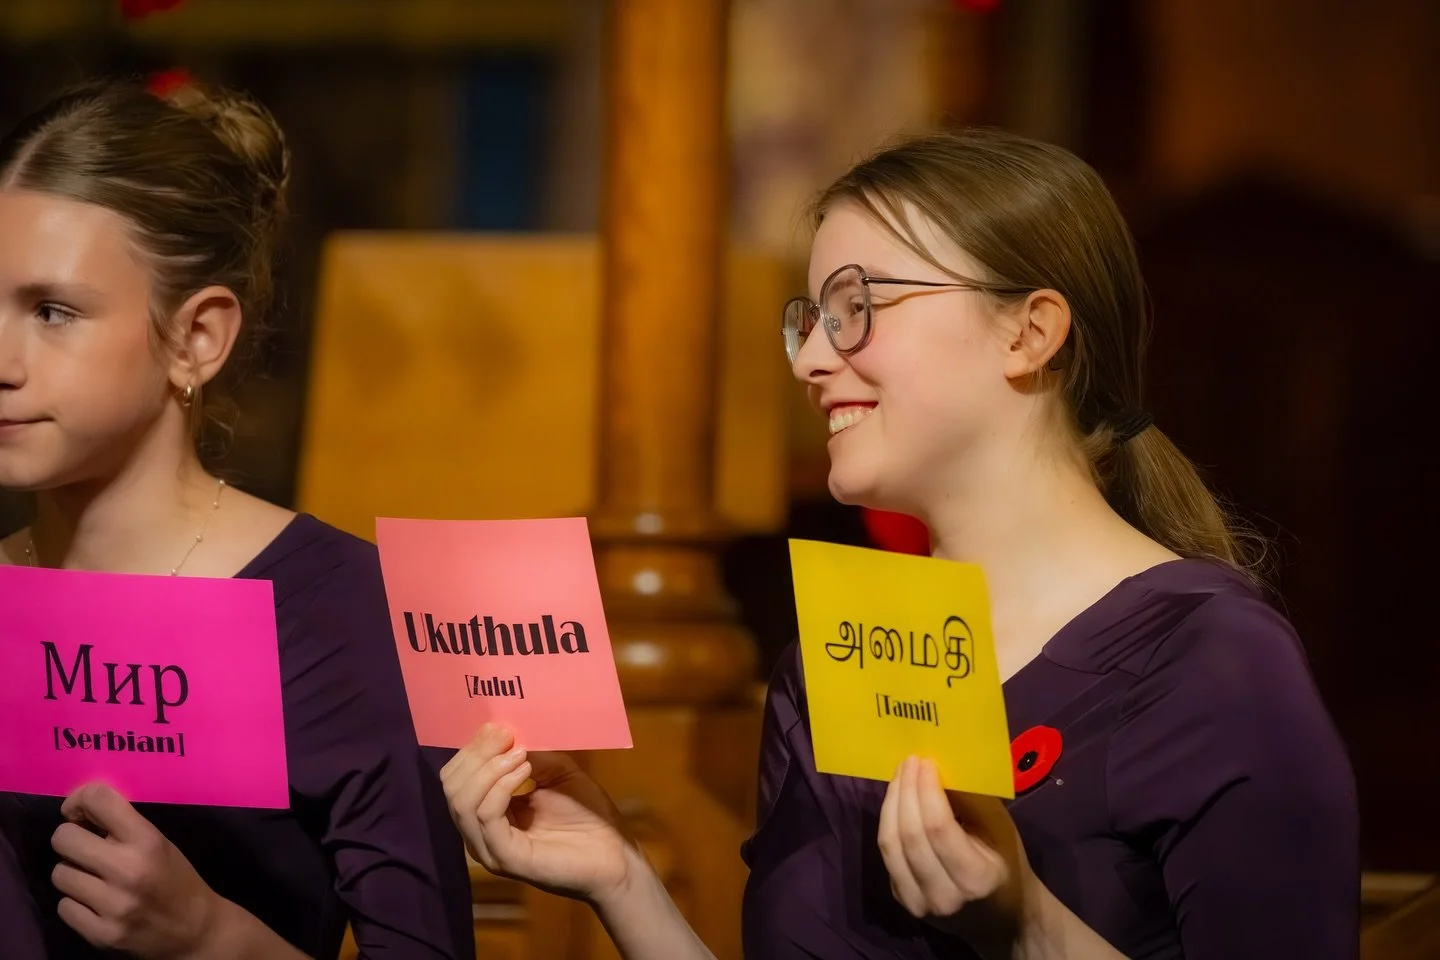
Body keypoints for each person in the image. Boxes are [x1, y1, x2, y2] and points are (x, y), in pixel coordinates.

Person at [439, 128, 1359, 959]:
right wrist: (621, 878)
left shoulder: (1207, 659)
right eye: (809, 319)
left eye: (857, 306)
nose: (809, 360)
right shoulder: (839, 659)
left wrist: (1028, 926)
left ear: (1029, 331)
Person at [0, 78, 475, 959]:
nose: (3, 358)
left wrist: (213, 939)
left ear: (198, 338)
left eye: (52, 311)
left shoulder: (347, 613)